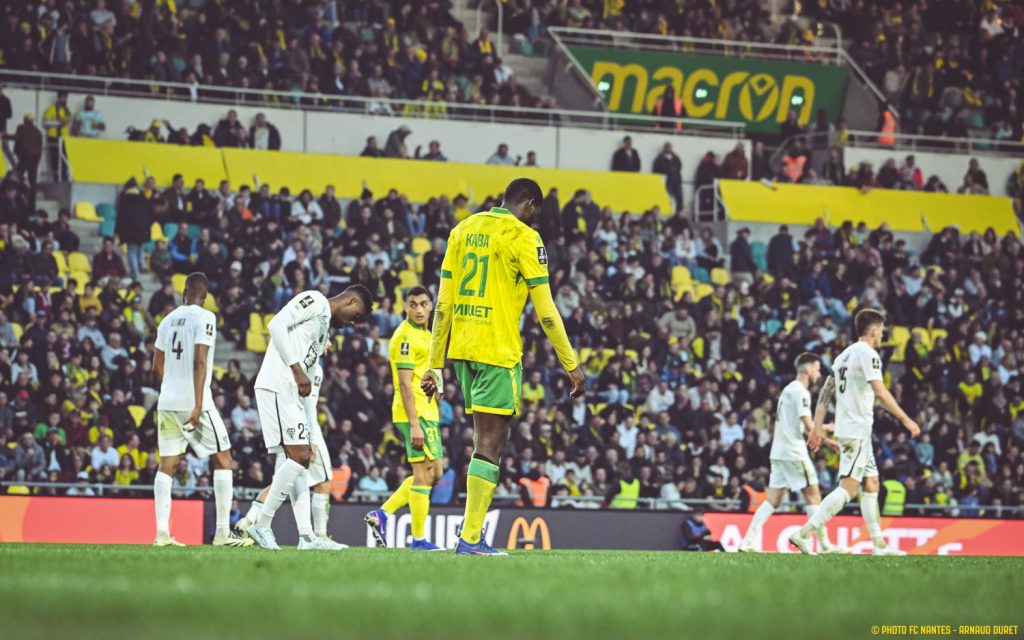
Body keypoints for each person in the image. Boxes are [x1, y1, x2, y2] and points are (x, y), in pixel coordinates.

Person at [422, 178, 585, 555]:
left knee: (483, 441)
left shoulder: (463, 230)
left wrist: (435, 364)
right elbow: (546, 312)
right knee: (491, 444)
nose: (534, 221)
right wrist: (571, 364)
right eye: (536, 213)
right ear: (529, 205)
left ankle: (471, 533)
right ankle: (471, 538)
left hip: (462, 351)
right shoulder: (525, 238)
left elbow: (442, 303)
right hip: (497, 351)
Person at [247, 284, 372, 550]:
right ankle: (260, 525)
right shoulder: (314, 300)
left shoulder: (324, 325)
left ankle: (306, 537)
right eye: (357, 315)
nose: (352, 323)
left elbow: (309, 379)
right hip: (278, 383)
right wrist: (297, 371)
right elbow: (276, 325)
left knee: (301, 460)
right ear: (350, 302)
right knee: (300, 457)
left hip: (292, 393)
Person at [789, 309, 920, 556]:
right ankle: (803, 533)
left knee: (872, 483)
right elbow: (880, 392)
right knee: (848, 489)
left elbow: (825, 393)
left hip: (854, 430)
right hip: (856, 430)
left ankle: (879, 545)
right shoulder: (869, 355)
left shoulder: (842, 356)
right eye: (881, 330)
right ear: (873, 331)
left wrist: (817, 428)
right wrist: (906, 420)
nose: (883, 334)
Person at [151, 272, 252, 547]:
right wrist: (196, 403)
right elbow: (200, 361)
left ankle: (162, 534)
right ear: (205, 297)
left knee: (167, 465)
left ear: (183, 291)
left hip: (167, 401)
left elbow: (155, 366)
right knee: (223, 458)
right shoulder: (206, 317)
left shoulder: (167, 320)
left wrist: (172, 386)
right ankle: (221, 534)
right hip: (194, 402)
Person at [739, 353, 844, 553]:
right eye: (816, 368)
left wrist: (826, 431)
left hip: (778, 452)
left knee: (774, 500)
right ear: (807, 369)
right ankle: (825, 545)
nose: (818, 373)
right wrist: (830, 442)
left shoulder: (788, 390)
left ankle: (747, 542)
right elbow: (807, 425)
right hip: (793, 452)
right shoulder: (801, 393)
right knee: (813, 497)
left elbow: (803, 427)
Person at [365, 287, 444, 550]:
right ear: (406, 307)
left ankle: (382, 514)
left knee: (435, 473)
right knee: (423, 474)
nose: (419, 310)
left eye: (423, 304)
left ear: (431, 306)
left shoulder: (426, 333)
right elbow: (405, 384)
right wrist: (414, 423)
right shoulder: (405, 337)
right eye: (413, 305)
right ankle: (418, 539)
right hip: (413, 413)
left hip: (427, 410)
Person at [236, 363, 347, 550]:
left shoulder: (302, 360)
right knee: (322, 481)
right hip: (303, 427)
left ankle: (249, 521)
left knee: (285, 480)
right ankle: (318, 535)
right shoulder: (313, 366)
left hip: (291, 421)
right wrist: (311, 436)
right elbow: (309, 403)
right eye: (327, 338)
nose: (328, 343)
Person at [42, 91, 71, 181]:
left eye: (65, 97)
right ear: (58, 98)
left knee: (64, 159)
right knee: (54, 158)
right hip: (53, 136)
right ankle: (56, 178)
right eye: (62, 97)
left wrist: (63, 122)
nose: (64, 99)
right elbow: (46, 122)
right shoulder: (51, 109)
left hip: (64, 137)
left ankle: (64, 178)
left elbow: (68, 121)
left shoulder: (67, 110)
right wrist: (58, 123)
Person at [652, 143, 683, 213]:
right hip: (666, 182)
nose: (668, 149)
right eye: (667, 147)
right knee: (668, 199)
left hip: (677, 182)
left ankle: (679, 213)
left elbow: (679, 167)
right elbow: (656, 171)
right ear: (664, 148)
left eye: (669, 147)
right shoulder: (659, 159)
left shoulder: (676, 158)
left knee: (679, 199)